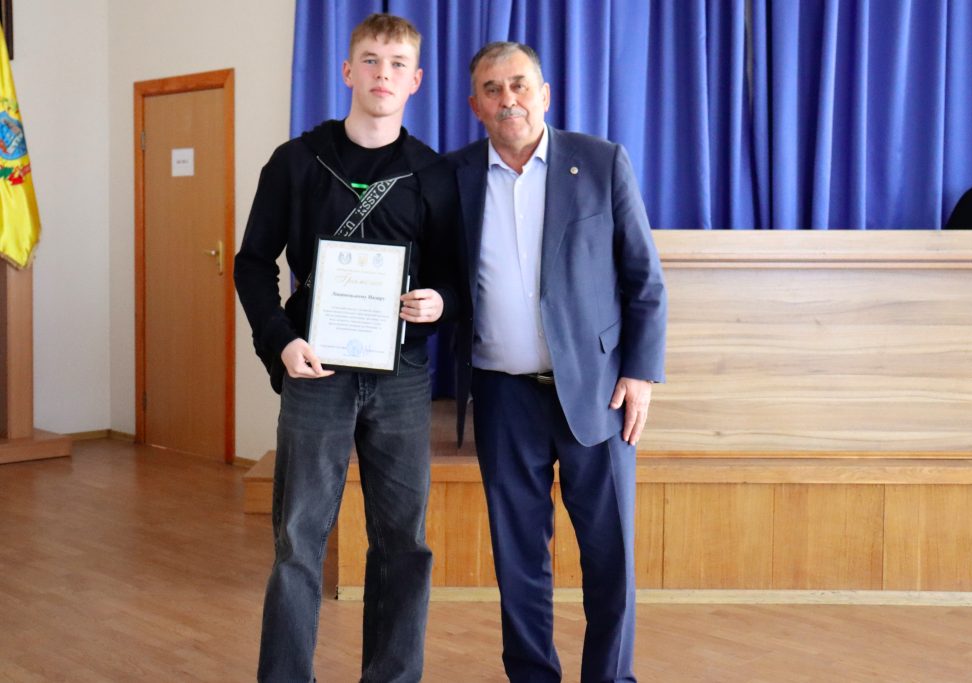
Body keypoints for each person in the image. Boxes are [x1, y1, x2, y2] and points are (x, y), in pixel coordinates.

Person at [234, 13, 459, 683]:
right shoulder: (296, 161)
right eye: (370, 60)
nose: (383, 74)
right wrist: (280, 342)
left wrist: (440, 302)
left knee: (403, 542)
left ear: (415, 80)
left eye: (397, 64)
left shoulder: (433, 174)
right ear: (347, 71)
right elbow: (252, 264)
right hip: (314, 371)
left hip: (401, 377)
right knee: (298, 539)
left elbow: (454, 276)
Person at [448, 42, 667, 682]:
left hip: (598, 392)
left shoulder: (601, 162)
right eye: (492, 89)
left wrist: (639, 374)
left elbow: (644, 280)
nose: (507, 99)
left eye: (519, 84)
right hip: (501, 395)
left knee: (609, 556)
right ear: (475, 105)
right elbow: (446, 278)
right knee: (518, 559)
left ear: (544, 94)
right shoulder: (454, 175)